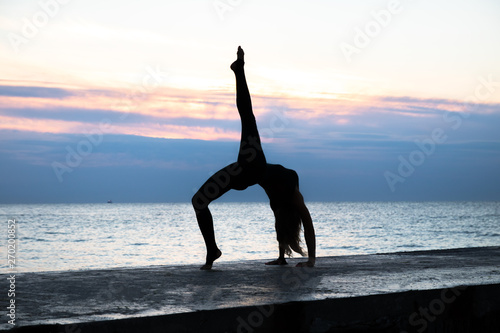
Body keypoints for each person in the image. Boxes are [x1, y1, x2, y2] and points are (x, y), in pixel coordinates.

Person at [192, 46, 315, 270]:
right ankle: (212, 249)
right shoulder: (285, 197)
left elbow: (305, 220)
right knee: (198, 201)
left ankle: (239, 70)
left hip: (249, 167)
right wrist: (285, 258)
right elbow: (293, 222)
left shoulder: (289, 195)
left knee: (248, 117)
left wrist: (311, 261)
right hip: (246, 169)